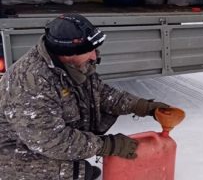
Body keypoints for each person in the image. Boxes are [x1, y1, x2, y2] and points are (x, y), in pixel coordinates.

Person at [0, 13, 169, 179]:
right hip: (12, 150)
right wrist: (107, 145)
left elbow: (100, 93)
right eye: (90, 51)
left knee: (79, 167)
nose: (95, 56)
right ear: (67, 54)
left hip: (38, 139)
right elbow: (51, 140)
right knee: (77, 172)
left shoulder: (74, 63)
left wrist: (141, 106)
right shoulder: (30, 83)